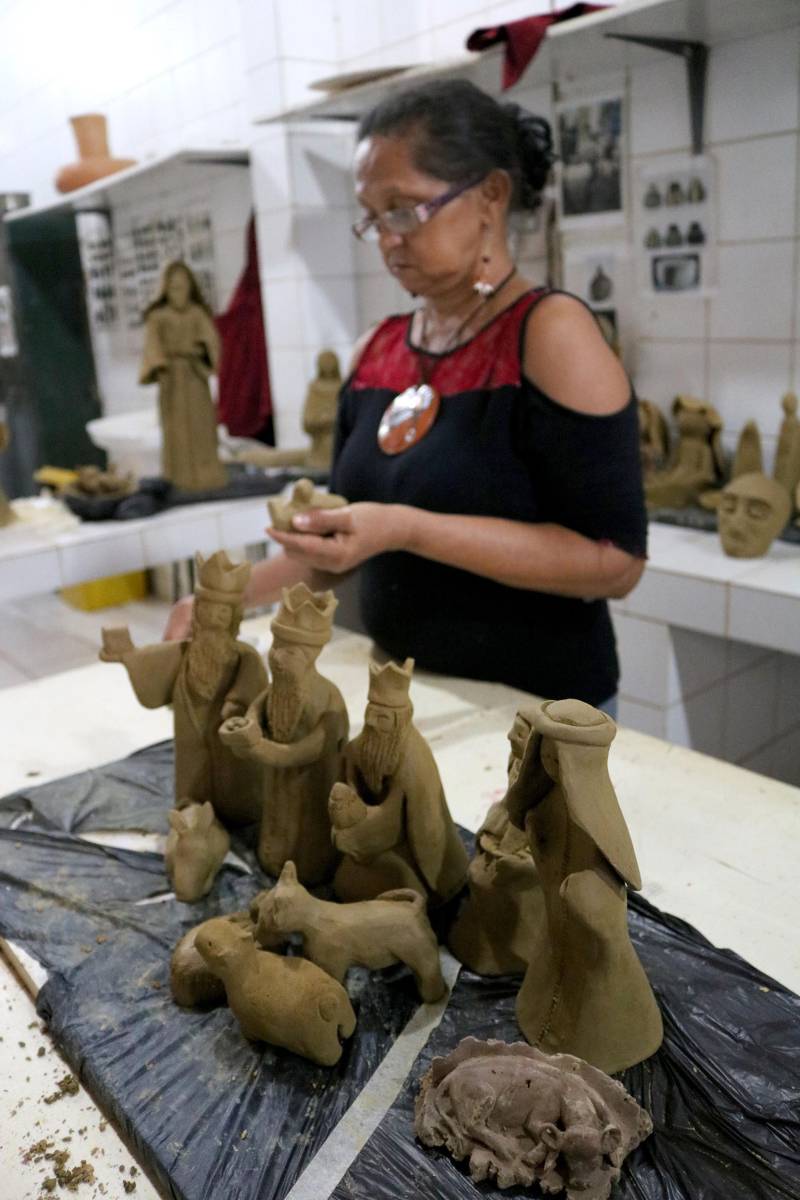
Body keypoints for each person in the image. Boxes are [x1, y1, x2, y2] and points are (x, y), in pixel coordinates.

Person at [165, 79, 646, 707]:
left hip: (542, 710)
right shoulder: (378, 349)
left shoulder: (550, 334)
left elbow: (616, 564)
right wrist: (223, 599)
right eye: (372, 217)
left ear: (490, 197)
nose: (387, 238)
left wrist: (407, 529)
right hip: (407, 692)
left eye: (404, 209)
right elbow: (343, 543)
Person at [141, 260, 226, 492]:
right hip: (171, 380)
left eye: (183, 286)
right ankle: (178, 477)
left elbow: (212, 343)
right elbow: (152, 346)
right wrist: (160, 364)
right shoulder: (158, 317)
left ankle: (207, 473)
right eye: (174, 287)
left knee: (201, 426)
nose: (179, 292)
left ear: (191, 287)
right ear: (166, 289)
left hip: (195, 376)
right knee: (175, 429)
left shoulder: (197, 314)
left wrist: (200, 351)